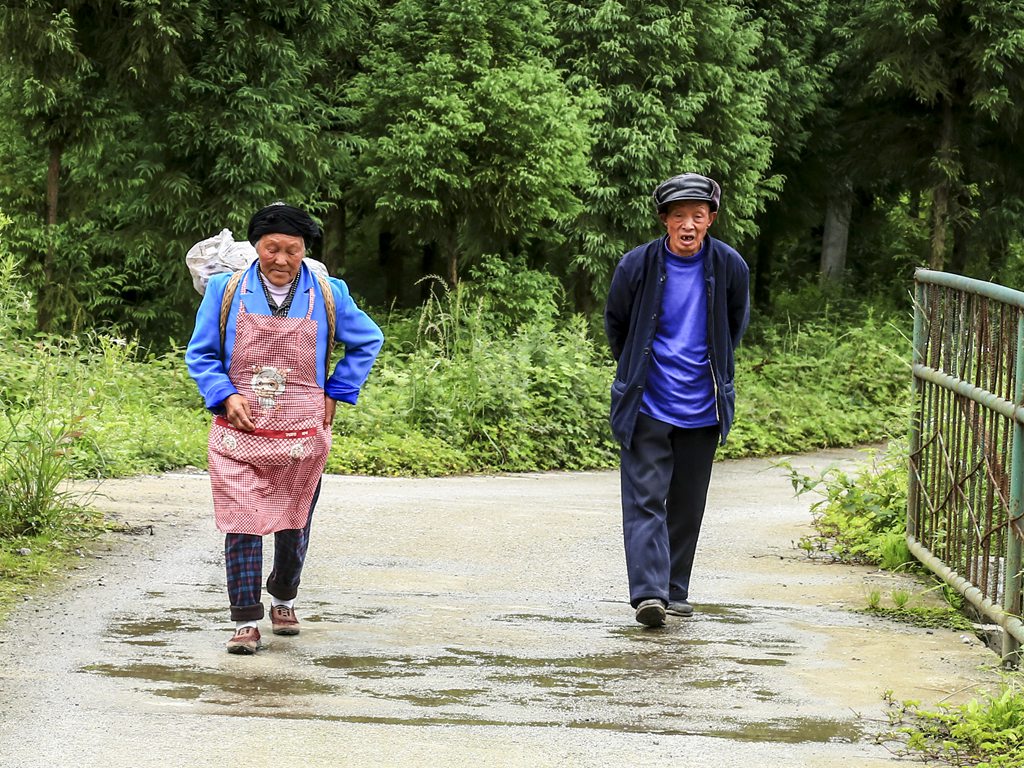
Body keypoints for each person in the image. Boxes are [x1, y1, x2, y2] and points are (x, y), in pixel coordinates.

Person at [185, 203, 384, 653]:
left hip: (301, 436)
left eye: (291, 251)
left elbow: (368, 339)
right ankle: (244, 621)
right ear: (256, 247)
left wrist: (339, 389)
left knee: (294, 525)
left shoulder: (329, 292)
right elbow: (201, 354)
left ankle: (284, 597)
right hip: (238, 432)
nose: (280, 260)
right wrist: (223, 394)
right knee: (242, 524)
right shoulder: (225, 288)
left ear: (304, 251)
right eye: (271, 248)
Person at [604, 173, 750, 628]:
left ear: (711, 220)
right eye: (679, 215)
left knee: (687, 502)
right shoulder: (636, 265)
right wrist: (638, 372)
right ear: (665, 220)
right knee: (645, 500)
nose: (689, 224)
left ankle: (674, 590)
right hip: (647, 403)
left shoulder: (730, 267)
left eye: (698, 215)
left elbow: (734, 326)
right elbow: (618, 325)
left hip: (702, 406)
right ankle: (649, 594)